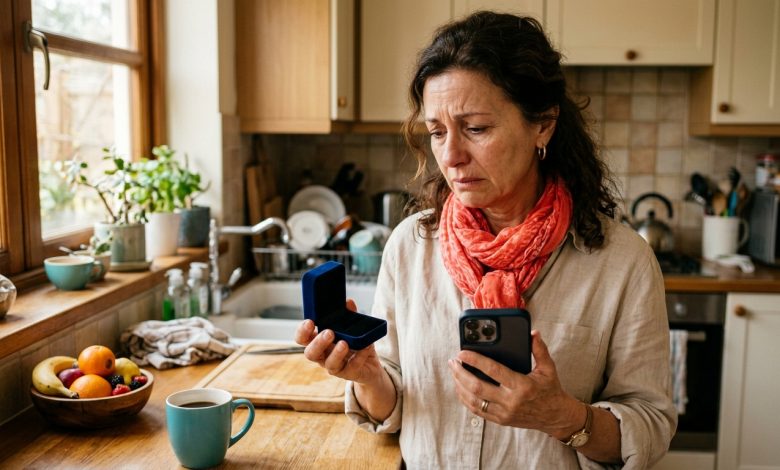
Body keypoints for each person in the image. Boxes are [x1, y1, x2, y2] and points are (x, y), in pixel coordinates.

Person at [295, 11, 676, 469]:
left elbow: (650, 429)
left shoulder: (622, 263)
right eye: (437, 132)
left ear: (544, 124)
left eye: (476, 128)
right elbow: (395, 410)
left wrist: (563, 417)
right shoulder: (410, 246)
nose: (450, 156)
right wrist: (368, 375)